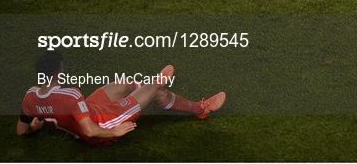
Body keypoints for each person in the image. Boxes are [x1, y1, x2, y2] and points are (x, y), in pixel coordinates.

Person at [17, 51, 226, 146]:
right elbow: (89, 130)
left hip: (88, 110)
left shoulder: (30, 96)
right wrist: (113, 131)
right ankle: (201, 108)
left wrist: (36, 125)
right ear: (59, 72)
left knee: (125, 83)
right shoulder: (70, 94)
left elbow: (21, 131)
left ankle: (153, 91)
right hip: (104, 122)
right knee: (156, 87)